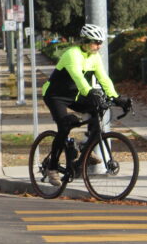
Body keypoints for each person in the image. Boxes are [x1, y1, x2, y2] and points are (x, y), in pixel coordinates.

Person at [40, 24, 131, 182]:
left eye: (100, 42)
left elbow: (103, 79)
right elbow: (78, 78)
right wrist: (90, 92)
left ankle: (84, 147)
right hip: (55, 95)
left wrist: (117, 98)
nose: (99, 45)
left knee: (97, 110)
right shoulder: (72, 54)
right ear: (86, 41)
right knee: (65, 126)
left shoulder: (94, 57)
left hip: (74, 95)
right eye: (96, 42)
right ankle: (52, 167)